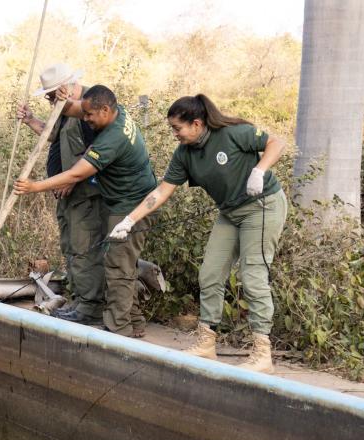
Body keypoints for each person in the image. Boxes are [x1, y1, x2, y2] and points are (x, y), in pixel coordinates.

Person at [109, 94, 287, 373]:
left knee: (252, 276)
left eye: (177, 129)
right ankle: (207, 343)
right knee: (210, 274)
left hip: (262, 207)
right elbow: (162, 191)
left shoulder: (233, 134)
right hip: (230, 212)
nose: (174, 135)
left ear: (196, 123)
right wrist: (129, 220)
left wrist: (259, 170)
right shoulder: (184, 155)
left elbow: (277, 143)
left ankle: (262, 354)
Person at [15, 85, 157, 337]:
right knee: (120, 263)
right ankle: (133, 323)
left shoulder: (111, 136)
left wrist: (34, 186)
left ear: (104, 110)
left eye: (89, 115)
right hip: (121, 202)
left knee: (118, 266)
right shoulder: (109, 109)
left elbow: (78, 171)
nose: (86, 119)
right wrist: (49, 108)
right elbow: (74, 112)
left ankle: (118, 329)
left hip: (129, 205)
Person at [17, 63, 106, 325]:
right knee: (70, 246)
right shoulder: (66, 108)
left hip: (85, 192)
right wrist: (31, 119)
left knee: (83, 249)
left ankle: (90, 308)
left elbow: (100, 151)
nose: (49, 100)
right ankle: (79, 300)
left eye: (50, 94)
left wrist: (74, 179)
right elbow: (56, 135)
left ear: (65, 88)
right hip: (66, 193)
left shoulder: (90, 107)